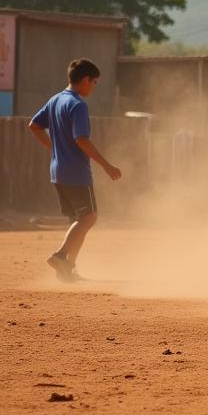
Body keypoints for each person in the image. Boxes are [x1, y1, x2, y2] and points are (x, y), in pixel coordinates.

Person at [28, 58, 122, 282]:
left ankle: (68, 270)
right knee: (89, 217)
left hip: (58, 171)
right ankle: (61, 256)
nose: (94, 86)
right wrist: (106, 165)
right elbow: (81, 139)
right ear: (85, 80)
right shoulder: (78, 105)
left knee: (79, 221)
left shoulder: (55, 100)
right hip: (76, 172)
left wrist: (53, 147)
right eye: (95, 82)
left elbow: (34, 125)